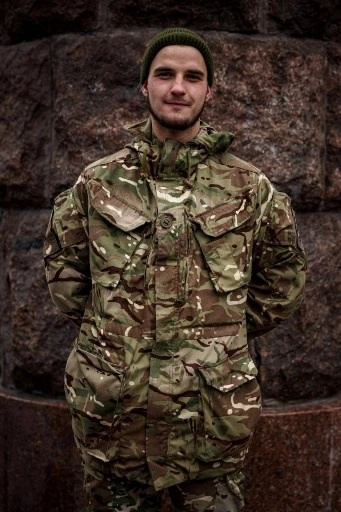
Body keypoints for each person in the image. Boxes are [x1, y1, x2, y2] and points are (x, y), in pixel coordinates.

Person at [43, 28, 307, 512]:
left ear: (210, 90)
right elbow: (66, 282)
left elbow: (283, 282)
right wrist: (121, 337)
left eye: (192, 76)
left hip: (210, 425)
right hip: (116, 421)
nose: (178, 87)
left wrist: (214, 343)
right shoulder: (97, 184)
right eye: (164, 74)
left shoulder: (251, 188)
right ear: (145, 86)